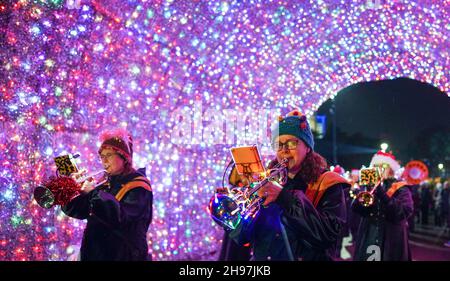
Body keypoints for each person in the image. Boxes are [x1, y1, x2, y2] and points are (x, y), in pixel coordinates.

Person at [229, 110, 349, 261]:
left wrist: (284, 197)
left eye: (292, 143)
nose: (284, 150)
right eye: (279, 145)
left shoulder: (329, 182)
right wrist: (232, 218)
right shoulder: (266, 181)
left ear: (307, 148)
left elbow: (327, 236)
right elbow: (244, 239)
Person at [62, 128, 153, 261]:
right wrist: (70, 189)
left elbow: (119, 217)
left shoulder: (139, 186)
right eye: (102, 156)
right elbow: (79, 211)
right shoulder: (104, 184)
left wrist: (93, 193)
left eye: (109, 155)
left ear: (124, 157)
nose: (104, 160)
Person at [352, 151, 413, 261]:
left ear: (391, 169)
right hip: (370, 234)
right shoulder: (369, 185)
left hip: (391, 238)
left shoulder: (401, 188)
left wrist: (382, 194)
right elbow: (356, 209)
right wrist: (364, 193)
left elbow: (403, 212)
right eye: (376, 166)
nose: (379, 169)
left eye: (383, 166)